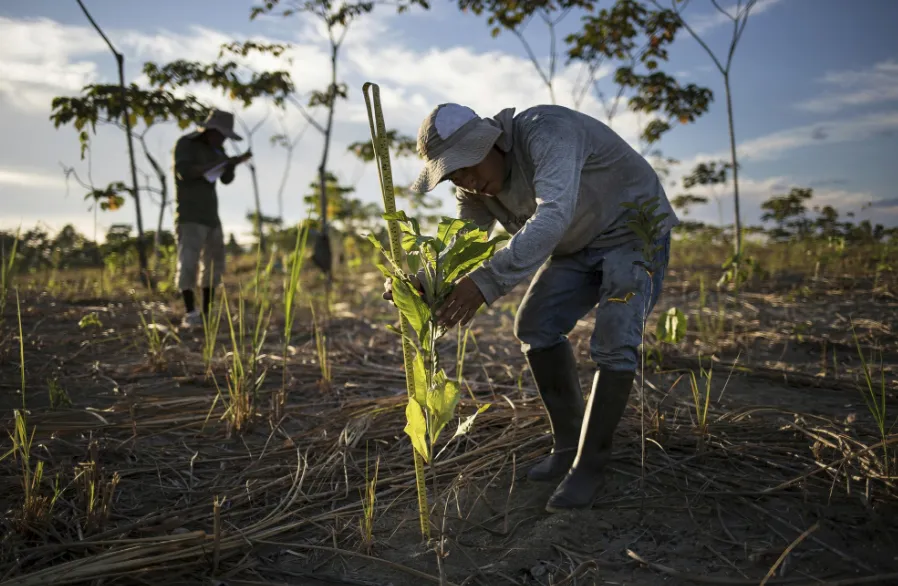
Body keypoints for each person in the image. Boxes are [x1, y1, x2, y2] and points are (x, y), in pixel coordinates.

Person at [387, 103, 678, 512]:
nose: (466, 180)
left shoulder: (546, 131)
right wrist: (426, 280)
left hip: (633, 231)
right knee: (535, 326)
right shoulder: (473, 190)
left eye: (468, 164)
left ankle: (590, 464)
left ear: (491, 142)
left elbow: (553, 214)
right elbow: (463, 246)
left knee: (614, 339)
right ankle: (568, 445)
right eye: (453, 173)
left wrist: (486, 283)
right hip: (577, 247)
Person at [172, 109, 251, 329]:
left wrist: (231, 164)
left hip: (211, 216)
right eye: (221, 134)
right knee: (188, 263)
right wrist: (214, 165)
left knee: (214, 264)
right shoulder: (186, 144)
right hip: (190, 215)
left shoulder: (218, 150)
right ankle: (190, 312)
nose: (223, 139)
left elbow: (225, 180)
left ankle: (207, 313)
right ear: (211, 129)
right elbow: (184, 172)